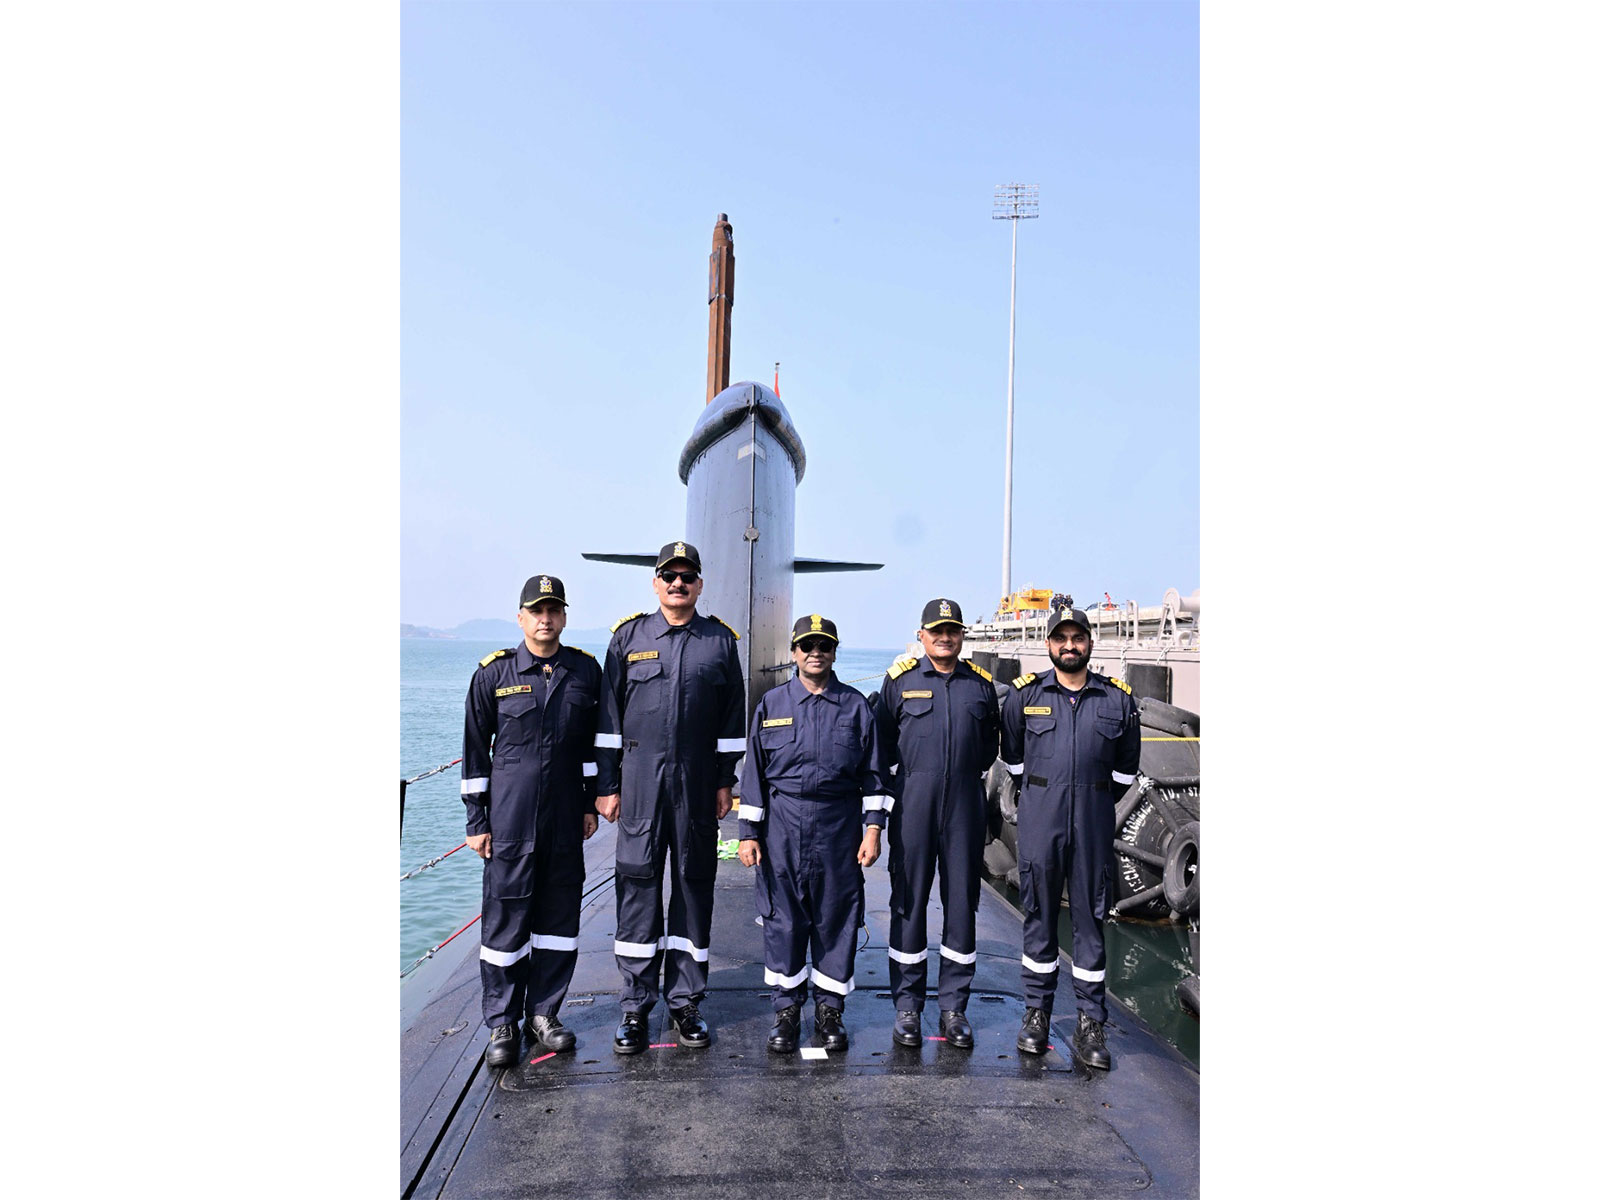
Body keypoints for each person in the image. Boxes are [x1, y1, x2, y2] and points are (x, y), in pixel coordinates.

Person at [593, 541, 744, 1054]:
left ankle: (685, 1002)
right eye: (668, 575)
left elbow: (731, 722)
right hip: (638, 781)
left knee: (693, 884)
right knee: (636, 886)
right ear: (655, 583)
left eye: (687, 576)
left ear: (699, 584)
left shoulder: (720, 642)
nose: (677, 583)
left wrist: (726, 780)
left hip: (698, 782)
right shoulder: (627, 638)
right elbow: (608, 721)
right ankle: (635, 1007)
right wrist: (607, 786)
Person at [460, 574, 603, 1069]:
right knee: (505, 922)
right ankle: (502, 1022)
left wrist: (589, 803)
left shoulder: (584, 672)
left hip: (564, 819)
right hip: (510, 820)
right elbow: (476, 755)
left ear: (564, 617)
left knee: (558, 921)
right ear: (521, 617)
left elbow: (590, 750)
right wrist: (476, 820)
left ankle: (544, 1014)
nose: (546, 619)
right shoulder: (493, 675)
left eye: (554, 611)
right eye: (536, 611)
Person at [737, 615, 891, 1053]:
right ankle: (786, 1011)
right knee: (783, 921)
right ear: (794, 652)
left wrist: (873, 829)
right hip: (782, 825)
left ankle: (829, 1010)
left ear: (834, 651)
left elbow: (875, 777)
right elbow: (754, 777)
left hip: (838, 826)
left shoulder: (856, 707)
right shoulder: (771, 705)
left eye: (823, 645)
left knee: (835, 919)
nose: (815, 652)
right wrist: (749, 832)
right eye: (807, 645)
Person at [999, 603, 1140, 1070]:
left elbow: (1125, 770)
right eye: (1061, 638)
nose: (1070, 645)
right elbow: (1014, 761)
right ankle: (1037, 1014)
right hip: (1042, 817)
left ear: (1089, 642)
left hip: (1094, 818)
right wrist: (1049, 790)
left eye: (1077, 637)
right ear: (1049, 644)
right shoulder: (1025, 696)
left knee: (1090, 919)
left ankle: (1089, 1021)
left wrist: (1089, 795)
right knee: (1038, 914)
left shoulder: (1116, 699)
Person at [874, 598, 1000, 1048]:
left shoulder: (981, 686)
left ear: (962, 635)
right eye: (936, 630)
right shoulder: (900, 682)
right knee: (908, 903)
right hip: (914, 803)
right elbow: (882, 744)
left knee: (962, 905)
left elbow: (988, 748)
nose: (944, 637)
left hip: (965, 804)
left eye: (952, 630)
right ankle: (908, 1006)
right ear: (922, 635)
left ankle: (953, 1008)